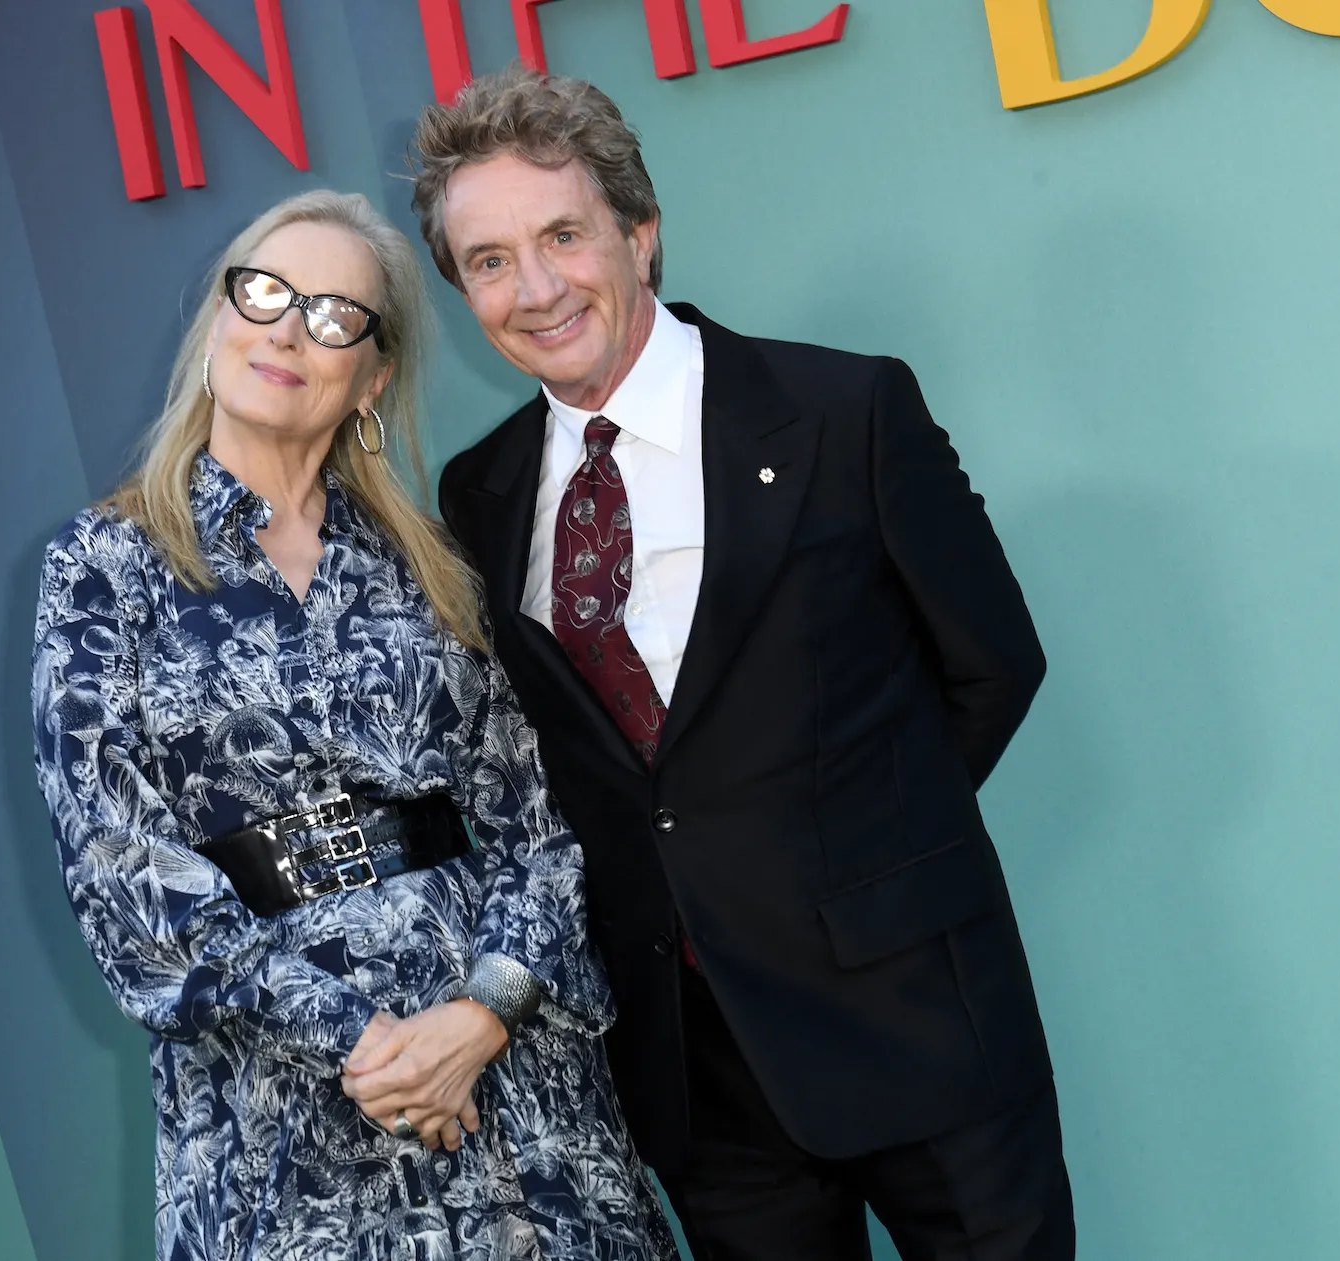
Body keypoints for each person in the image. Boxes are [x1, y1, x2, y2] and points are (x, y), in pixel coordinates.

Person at [417, 69, 1075, 1261]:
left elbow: (994, 664)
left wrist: (847, 855)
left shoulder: (843, 409)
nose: (538, 288)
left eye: (563, 234)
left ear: (640, 229)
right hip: (695, 1074)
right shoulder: (482, 490)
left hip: (914, 1020)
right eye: (490, 260)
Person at [31, 188, 677, 1261]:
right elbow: (119, 871)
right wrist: (368, 1042)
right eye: (267, 292)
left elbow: (545, 821)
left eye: (334, 314)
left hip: (512, 1086)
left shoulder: (434, 559)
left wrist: (480, 1016)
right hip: (286, 1111)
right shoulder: (102, 566)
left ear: (371, 376)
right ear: (220, 321)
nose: (289, 326)